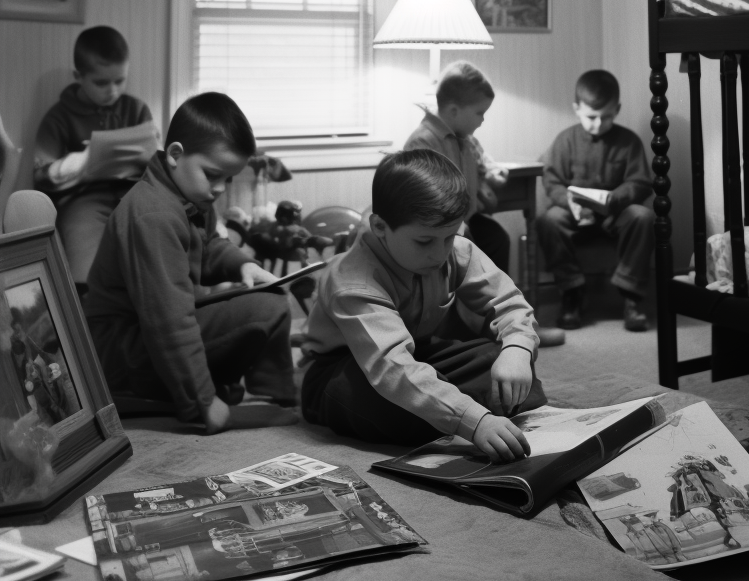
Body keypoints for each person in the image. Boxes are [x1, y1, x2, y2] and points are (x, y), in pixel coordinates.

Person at [301, 148, 546, 460]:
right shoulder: (351, 281)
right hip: (343, 370)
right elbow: (393, 368)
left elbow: (509, 302)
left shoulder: (454, 250)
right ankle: (455, 408)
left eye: (449, 237)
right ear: (379, 227)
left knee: (504, 364)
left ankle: (449, 404)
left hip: (418, 353)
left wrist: (517, 349)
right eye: (424, 241)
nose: (439, 253)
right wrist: (475, 421)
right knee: (403, 408)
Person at [83, 92, 297, 433]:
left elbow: (209, 244)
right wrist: (202, 401)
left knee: (266, 295)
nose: (220, 189)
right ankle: (269, 402)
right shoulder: (154, 215)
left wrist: (242, 264)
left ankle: (273, 396)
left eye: (228, 178)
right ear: (175, 154)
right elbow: (169, 321)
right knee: (265, 309)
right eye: (212, 175)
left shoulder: (188, 193)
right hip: (120, 355)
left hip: (140, 339)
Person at [33, 26, 154, 288]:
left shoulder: (136, 108)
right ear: (79, 76)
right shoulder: (60, 116)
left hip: (132, 192)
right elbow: (41, 176)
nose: (112, 90)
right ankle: (89, 301)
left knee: (157, 227)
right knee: (83, 238)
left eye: (120, 81)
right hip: (83, 198)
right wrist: (79, 161)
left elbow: (154, 158)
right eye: (101, 83)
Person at [537, 69, 655, 332]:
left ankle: (631, 296)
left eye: (607, 117)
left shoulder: (628, 141)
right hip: (576, 214)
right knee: (548, 220)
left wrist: (617, 198)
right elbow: (552, 181)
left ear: (618, 109)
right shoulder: (565, 140)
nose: (599, 124)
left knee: (644, 217)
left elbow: (640, 182)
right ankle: (572, 293)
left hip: (616, 213)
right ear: (576, 109)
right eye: (591, 117)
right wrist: (570, 202)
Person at [404, 61, 510, 273]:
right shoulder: (424, 143)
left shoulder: (466, 140)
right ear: (454, 110)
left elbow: (479, 170)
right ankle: (457, 303)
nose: (483, 120)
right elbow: (428, 204)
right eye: (480, 113)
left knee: (497, 238)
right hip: (436, 228)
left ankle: (493, 302)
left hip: (465, 220)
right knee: (464, 250)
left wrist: (486, 181)